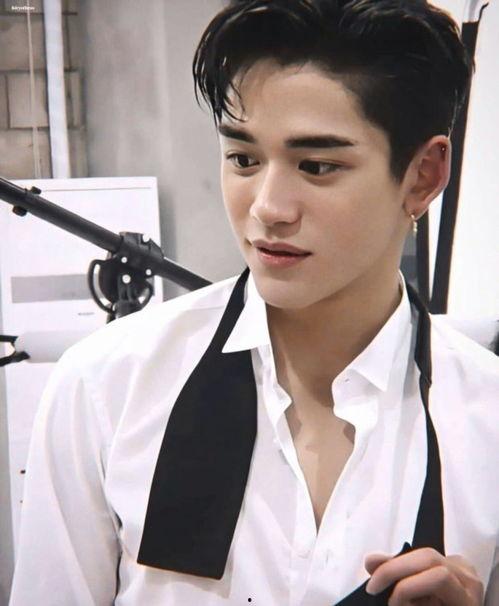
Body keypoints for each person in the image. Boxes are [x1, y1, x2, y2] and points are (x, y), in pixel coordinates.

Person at [9, 1, 499, 604]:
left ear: (422, 176)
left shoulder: (485, 419)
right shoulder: (109, 388)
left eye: (316, 166)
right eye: (243, 159)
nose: (268, 207)